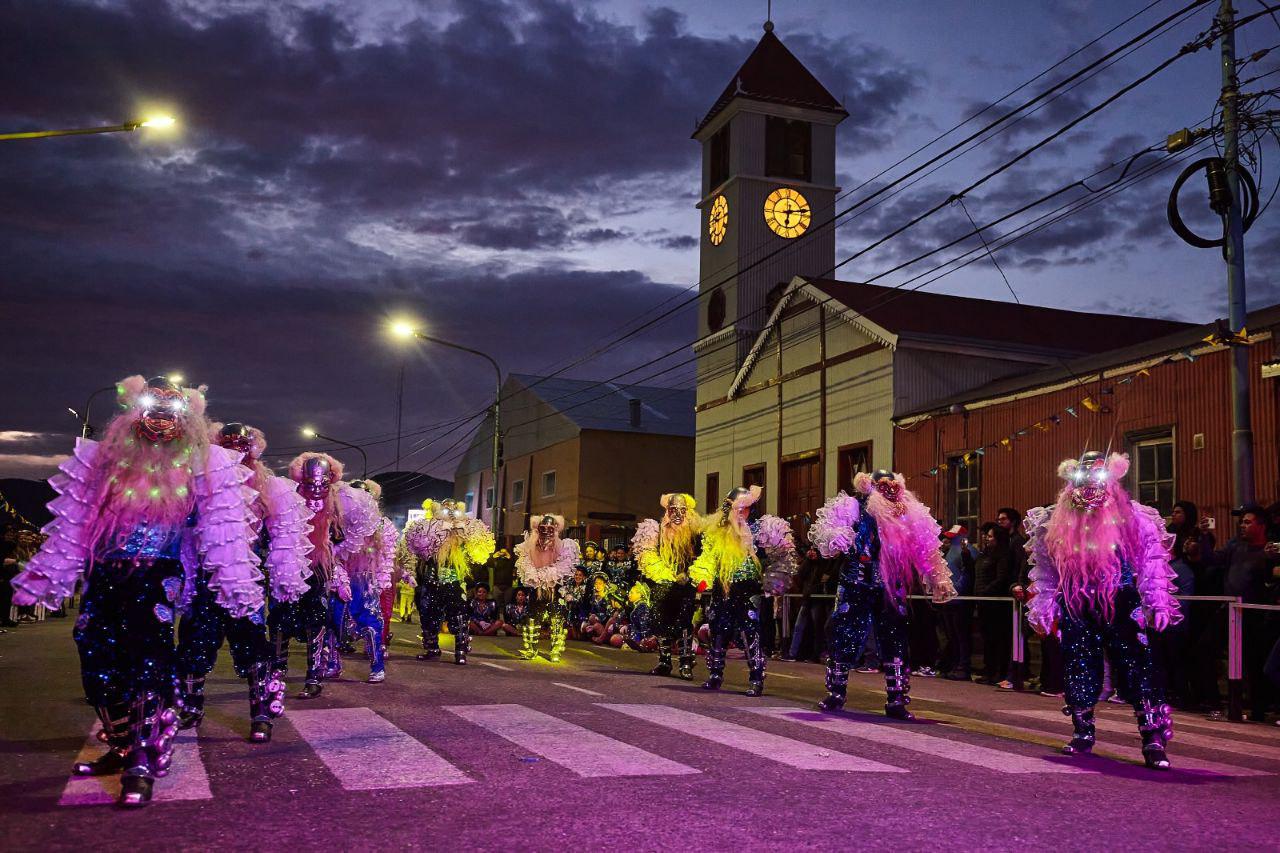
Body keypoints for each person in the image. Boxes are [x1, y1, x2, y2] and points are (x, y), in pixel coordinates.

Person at [12, 375, 262, 807]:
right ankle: (124, 745)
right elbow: (76, 524)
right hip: (106, 572)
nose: (162, 417)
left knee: (149, 659)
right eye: (154, 405)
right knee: (95, 656)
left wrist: (235, 585)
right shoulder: (106, 459)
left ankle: (143, 760)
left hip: (158, 574)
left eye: (173, 408)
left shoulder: (207, 463)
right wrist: (46, 575)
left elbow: (224, 530)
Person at [1025, 451, 1181, 770]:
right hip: (1076, 603)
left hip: (1122, 602)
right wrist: (1044, 602)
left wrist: (1157, 599)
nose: (1089, 488)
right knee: (1079, 665)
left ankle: (1152, 737)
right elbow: (1045, 567)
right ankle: (1083, 731)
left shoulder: (1133, 517)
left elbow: (1151, 561)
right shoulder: (1053, 519)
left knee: (1138, 667)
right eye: (1082, 480)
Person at [175, 423, 313, 743]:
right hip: (205, 579)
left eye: (242, 445)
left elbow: (285, 537)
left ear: (254, 450)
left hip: (245, 581)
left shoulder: (269, 486)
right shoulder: (198, 480)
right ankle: (191, 706)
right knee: (194, 643)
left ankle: (260, 711)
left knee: (252, 644)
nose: (236, 451)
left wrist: (284, 578)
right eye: (228, 445)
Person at [809, 471, 955, 719]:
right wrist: (837, 539)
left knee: (895, 640)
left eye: (894, 488)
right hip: (856, 584)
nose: (890, 494)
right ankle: (836, 692)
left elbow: (926, 547)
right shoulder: (852, 507)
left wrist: (937, 577)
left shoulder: (906, 512)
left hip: (891, 587)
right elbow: (829, 532)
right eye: (884, 489)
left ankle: (896, 699)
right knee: (844, 636)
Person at [688, 486, 797, 697]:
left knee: (749, 633)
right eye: (735, 508)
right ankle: (715, 675)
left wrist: (773, 578)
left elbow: (784, 554)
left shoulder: (759, 530)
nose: (739, 512)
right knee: (718, 631)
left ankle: (756, 678)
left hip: (748, 589)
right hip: (723, 587)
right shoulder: (718, 532)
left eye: (744, 508)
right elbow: (708, 558)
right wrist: (703, 577)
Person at [268, 452, 356, 701]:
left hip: (318, 569)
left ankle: (313, 676)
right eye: (310, 484)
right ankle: (276, 673)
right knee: (280, 619)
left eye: (322, 483)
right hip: (287, 566)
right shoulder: (287, 496)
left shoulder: (337, 502)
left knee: (315, 620)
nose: (316, 489)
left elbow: (340, 537)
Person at [1187, 505, 1280, 722]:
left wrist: (1270, 560)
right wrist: (1205, 536)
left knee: (1253, 663)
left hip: (1253, 613)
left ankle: (1257, 710)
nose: (1243, 526)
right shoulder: (1235, 546)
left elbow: (1269, 580)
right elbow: (1211, 560)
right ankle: (1215, 703)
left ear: (1261, 526)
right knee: (1203, 649)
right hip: (1228, 609)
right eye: (1242, 522)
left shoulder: (1269, 550)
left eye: (1248, 522)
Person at [401, 499, 496, 665]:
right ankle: (432, 649)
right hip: (432, 581)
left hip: (454, 581)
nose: (450, 514)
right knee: (429, 615)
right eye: (446, 510)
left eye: (453, 510)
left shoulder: (463, 529)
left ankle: (460, 651)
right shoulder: (429, 528)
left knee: (459, 616)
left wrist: (461, 531)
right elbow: (415, 550)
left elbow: (477, 550)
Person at [632, 493, 701, 680]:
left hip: (686, 584)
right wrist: (664, 575)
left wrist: (691, 575)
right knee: (661, 621)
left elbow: (704, 556)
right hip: (662, 582)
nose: (677, 514)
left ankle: (686, 663)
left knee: (685, 623)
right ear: (667, 511)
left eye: (682, 510)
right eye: (673, 510)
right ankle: (665, 661)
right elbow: (648, 554)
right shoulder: (657, 530)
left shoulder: (695, 532)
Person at [332, 479, 395, 684]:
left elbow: (386, 554)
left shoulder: (382, 524)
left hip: (365, 581)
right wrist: (339, 578)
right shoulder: (338, 523)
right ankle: (333, 663)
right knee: (334, 621)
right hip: (341, 580)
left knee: (371, 624)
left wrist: (383, 578)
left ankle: (377, 667)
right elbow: (332, 554)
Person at [513, 513, 580, 661]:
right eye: (543, 528)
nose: (546, 532)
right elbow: (525, 562)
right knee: (532, 619)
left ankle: (555, 650)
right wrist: (536, 576)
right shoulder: (530, 545)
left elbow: (564, 566)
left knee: (556, 619)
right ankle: (531, 649)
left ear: (556, 530)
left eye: (550, 528)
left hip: (555, 588)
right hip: (536, 587)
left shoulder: (564, 546)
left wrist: (550, 576)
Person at [973, 522, 1014, 687]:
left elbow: (1001, 578)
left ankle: (998, 672)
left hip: (996, 604)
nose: (987, 538)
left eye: (990, 536)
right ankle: (989, 670)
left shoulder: (1004, 554)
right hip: (983, 602)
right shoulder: (985, 553)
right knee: (987, 638)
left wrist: (986, 592)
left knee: (997, 639)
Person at [937, 525, 976, 680]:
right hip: (949, 598)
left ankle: (963, 665)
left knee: (961, 635)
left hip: (960, 599)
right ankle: (955, 663)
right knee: (953, 635)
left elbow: (967, 573)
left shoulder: (968, 551)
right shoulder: (951, 551)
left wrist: (957, 590)